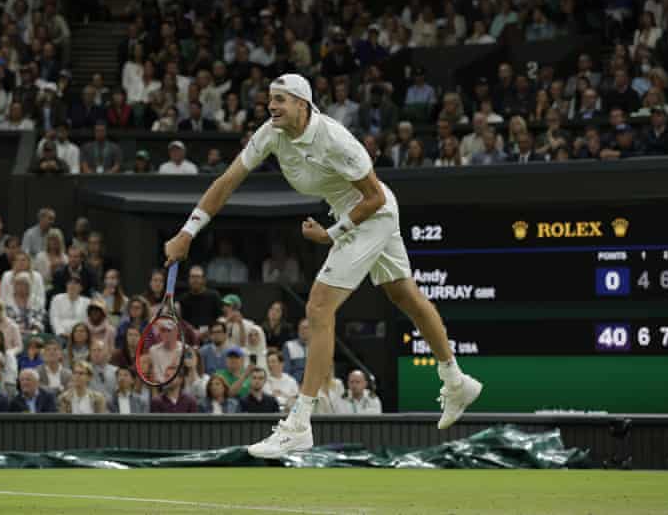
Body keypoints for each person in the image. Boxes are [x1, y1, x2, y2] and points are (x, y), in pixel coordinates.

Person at [163, 73, 481, 458]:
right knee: (405, 296)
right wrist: (188, 232)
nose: (272, 106)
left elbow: (375, 198)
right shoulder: (271, 133)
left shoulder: (336, 140)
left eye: (281, 99)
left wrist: (334, 234)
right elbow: (228, 182)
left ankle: (299, 423)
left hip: (373, 215)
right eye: (270, 99)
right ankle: (456, 380)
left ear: (303, 104)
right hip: (354, 215)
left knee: (317, 306)